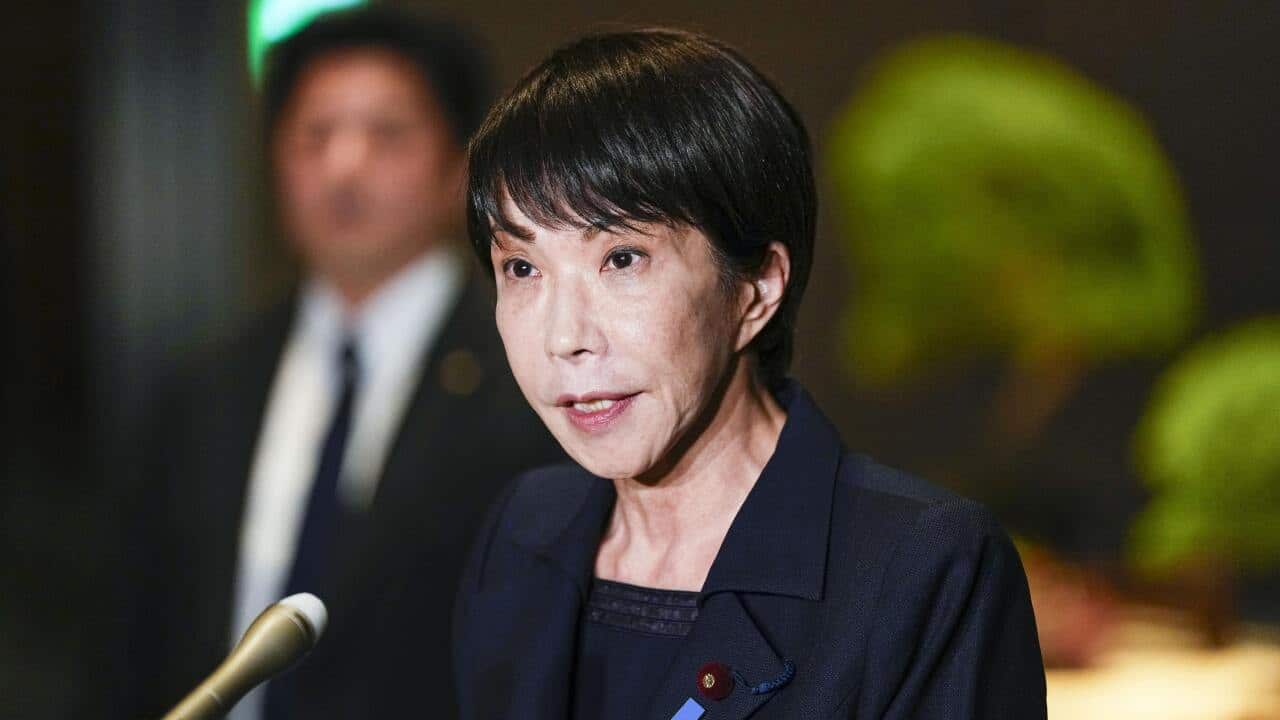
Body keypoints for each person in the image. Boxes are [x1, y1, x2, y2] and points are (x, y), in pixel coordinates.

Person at [452, 28, 1046, 719]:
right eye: (523, 268)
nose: (564, 338)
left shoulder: (919, 568)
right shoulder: (524, 530)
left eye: (622, 259)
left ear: (757, 288)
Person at [117, 8, 560, 719]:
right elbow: (133, 642)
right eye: (314, 135)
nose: (343, 167)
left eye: (386, 134)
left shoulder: (535, 383)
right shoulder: (203, 389)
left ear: (458, 167)